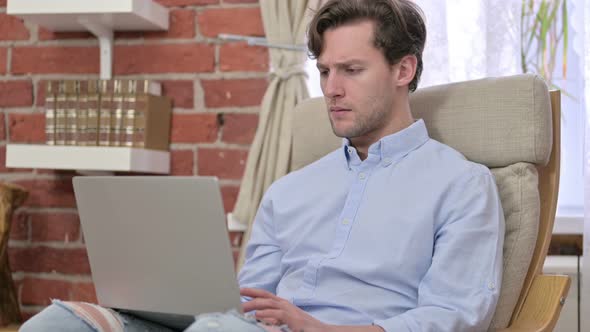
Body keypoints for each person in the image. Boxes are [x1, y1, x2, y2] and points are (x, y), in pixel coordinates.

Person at [20, 0, 504, 331]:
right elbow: (249, 304)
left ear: (404, 69)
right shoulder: (290, 190)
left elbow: (452, 316)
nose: (331, 88)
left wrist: (320, 328)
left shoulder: (461, 186)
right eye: (324, 71)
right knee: (60, 323)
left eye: (351, 70)